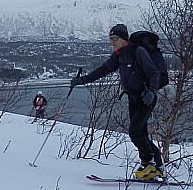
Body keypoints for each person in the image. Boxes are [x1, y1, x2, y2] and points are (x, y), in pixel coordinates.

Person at [70, 23, 164, 180]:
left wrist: (152, 91)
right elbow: (103, 70)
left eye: (115, 39)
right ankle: (155, 166)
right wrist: (82, 80)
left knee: (135, 132)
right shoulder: (119, 55)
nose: (112, 42)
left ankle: (149, 163)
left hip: (145, 97)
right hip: (133, 97)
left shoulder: (138, 51)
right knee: (140, 133)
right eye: (111, 39)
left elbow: (153, 73)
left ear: (124, 39)